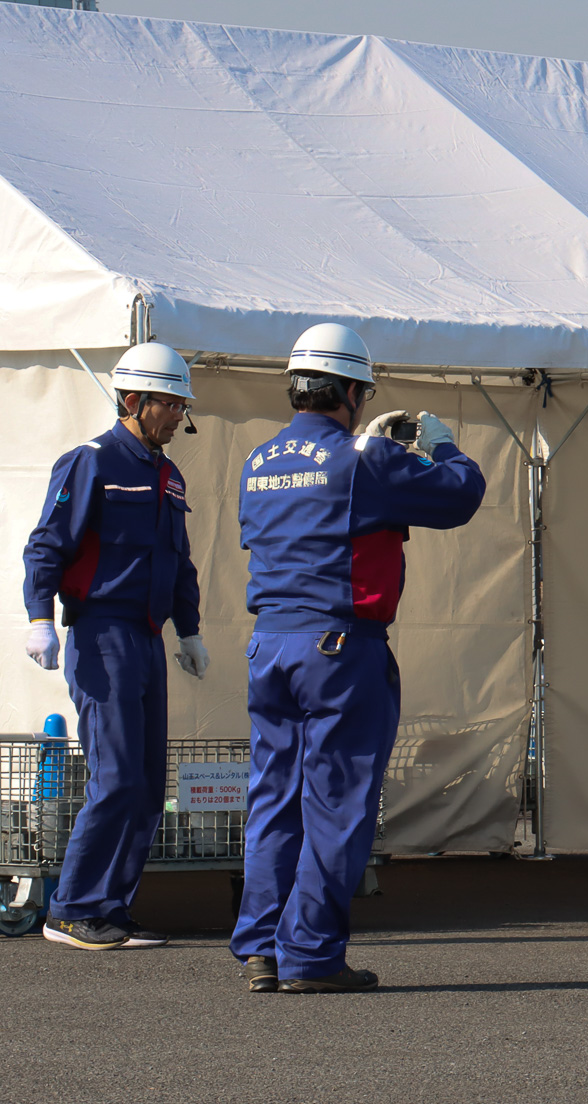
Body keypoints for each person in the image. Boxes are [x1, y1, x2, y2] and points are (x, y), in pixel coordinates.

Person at [231, 323, 484, 994]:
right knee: (336, 802)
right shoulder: (362, 462)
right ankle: (310, 955)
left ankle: (263, 948)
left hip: (270, 644)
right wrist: (437, 443)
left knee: (274, 799)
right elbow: (461, 493)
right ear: (349, 390)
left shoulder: (258, 462)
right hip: (340, 647)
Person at [23, 343, 208, 952]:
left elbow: (179, 563)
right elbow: (47, 545)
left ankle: (111, 907)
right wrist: (39, 617)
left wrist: (191, 629)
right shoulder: (91, 462)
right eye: (169, 402)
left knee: (149, 782)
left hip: (146, 638)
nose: (179, 414)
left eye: (181, 402)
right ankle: (72, 908)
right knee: (117, 774)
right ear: (134, 401)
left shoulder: (169, 476)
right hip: (101, 634)